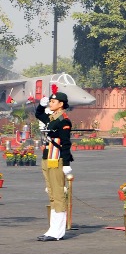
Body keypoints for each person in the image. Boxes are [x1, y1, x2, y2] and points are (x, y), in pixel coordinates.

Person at [34, 86, 73, 241]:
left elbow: (66, 143)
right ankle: (52, 229)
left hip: (57, 159)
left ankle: (58, 232)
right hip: (47, 158)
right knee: (51, 194)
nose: (50, 103)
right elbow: (38, 114)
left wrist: (66, 163)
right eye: (50, 101)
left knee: (58, 195)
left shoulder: (63, 121)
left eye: (53, 101)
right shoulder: (51, 118)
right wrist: (41, 104)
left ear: (61, 104)